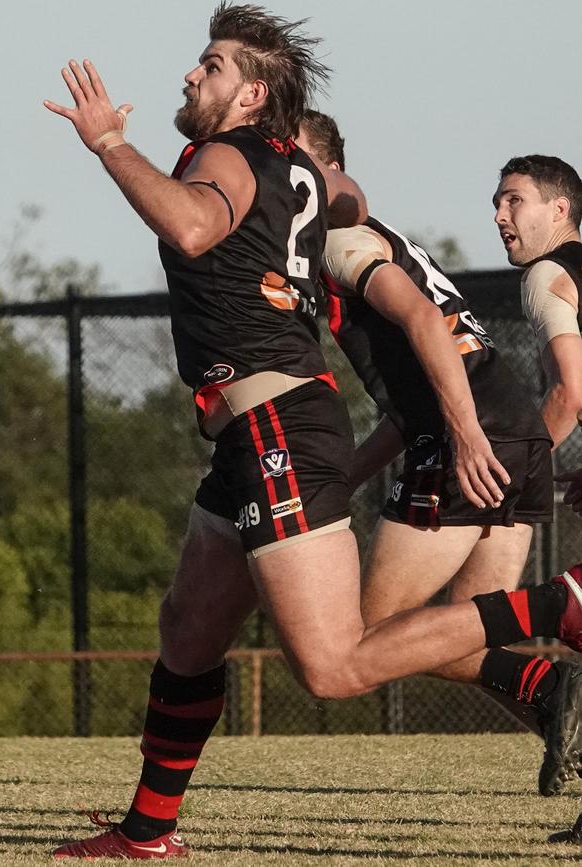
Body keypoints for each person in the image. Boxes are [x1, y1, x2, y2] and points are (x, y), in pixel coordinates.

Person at [45, 5, 582, 859]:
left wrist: (109, 143)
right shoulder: (297, 168)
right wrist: (309, 183)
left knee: (334, 666)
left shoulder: (223, 154)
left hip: (276, 427)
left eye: (210, 65)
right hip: (256, 431)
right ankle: (148, 832)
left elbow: (189, 223)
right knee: (189, 624)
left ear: (252, 92)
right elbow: (349, 195)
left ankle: (565, 605)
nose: (191, 75)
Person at [296, 110, 581, 798]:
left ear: (329, 172)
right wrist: (348, 476)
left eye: (288, 159)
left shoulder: (339, 241)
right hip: (501, 430)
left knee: (376, 631)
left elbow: (560, 386)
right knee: (465, 624)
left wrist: (472, 439)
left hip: (474, 436)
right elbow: (414, 392)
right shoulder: (383, 242)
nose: (499, 214)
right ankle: (560, 704)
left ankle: (556, 664)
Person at [493, 155, 582, 515]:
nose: (499, 215)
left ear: (559, 209)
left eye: (515, 200)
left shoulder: (546, 273)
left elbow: (570, 391)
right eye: (497, 203)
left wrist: (512, 473)